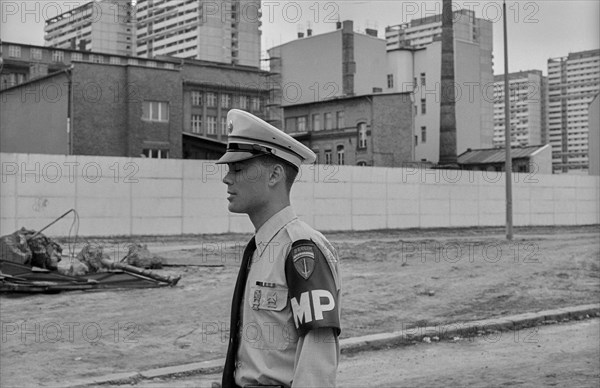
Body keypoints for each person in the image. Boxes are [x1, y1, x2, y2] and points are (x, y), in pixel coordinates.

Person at [217, 109, 341, 388]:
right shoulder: (262, 247)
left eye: (238, 169)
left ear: (274, 175)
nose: (227, 178)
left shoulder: (301, 251)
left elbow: (317, 363)